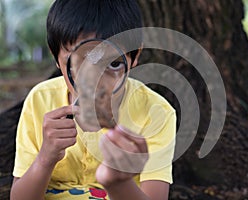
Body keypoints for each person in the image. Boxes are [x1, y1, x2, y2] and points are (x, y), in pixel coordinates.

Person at [10, 0, 176, 200]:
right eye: (77, 63)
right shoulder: (39, 101)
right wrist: (45, 158)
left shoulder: (156, 112)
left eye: (113, 63)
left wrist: (119, 183)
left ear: (134, 56)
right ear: (55, 56)